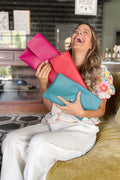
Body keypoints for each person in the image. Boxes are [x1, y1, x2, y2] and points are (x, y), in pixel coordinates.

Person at [0, 23, 115, 180]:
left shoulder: (101, 73)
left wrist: (81, 112)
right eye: (76, 31)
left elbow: (101, 110)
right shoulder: (56, 65)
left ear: (91, 44)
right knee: (10, 141)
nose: (78, 33)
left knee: (39, 143)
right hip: (52, 123)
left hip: (80, 130)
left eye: (85, 32)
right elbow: (49, 107)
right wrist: (42, 82)